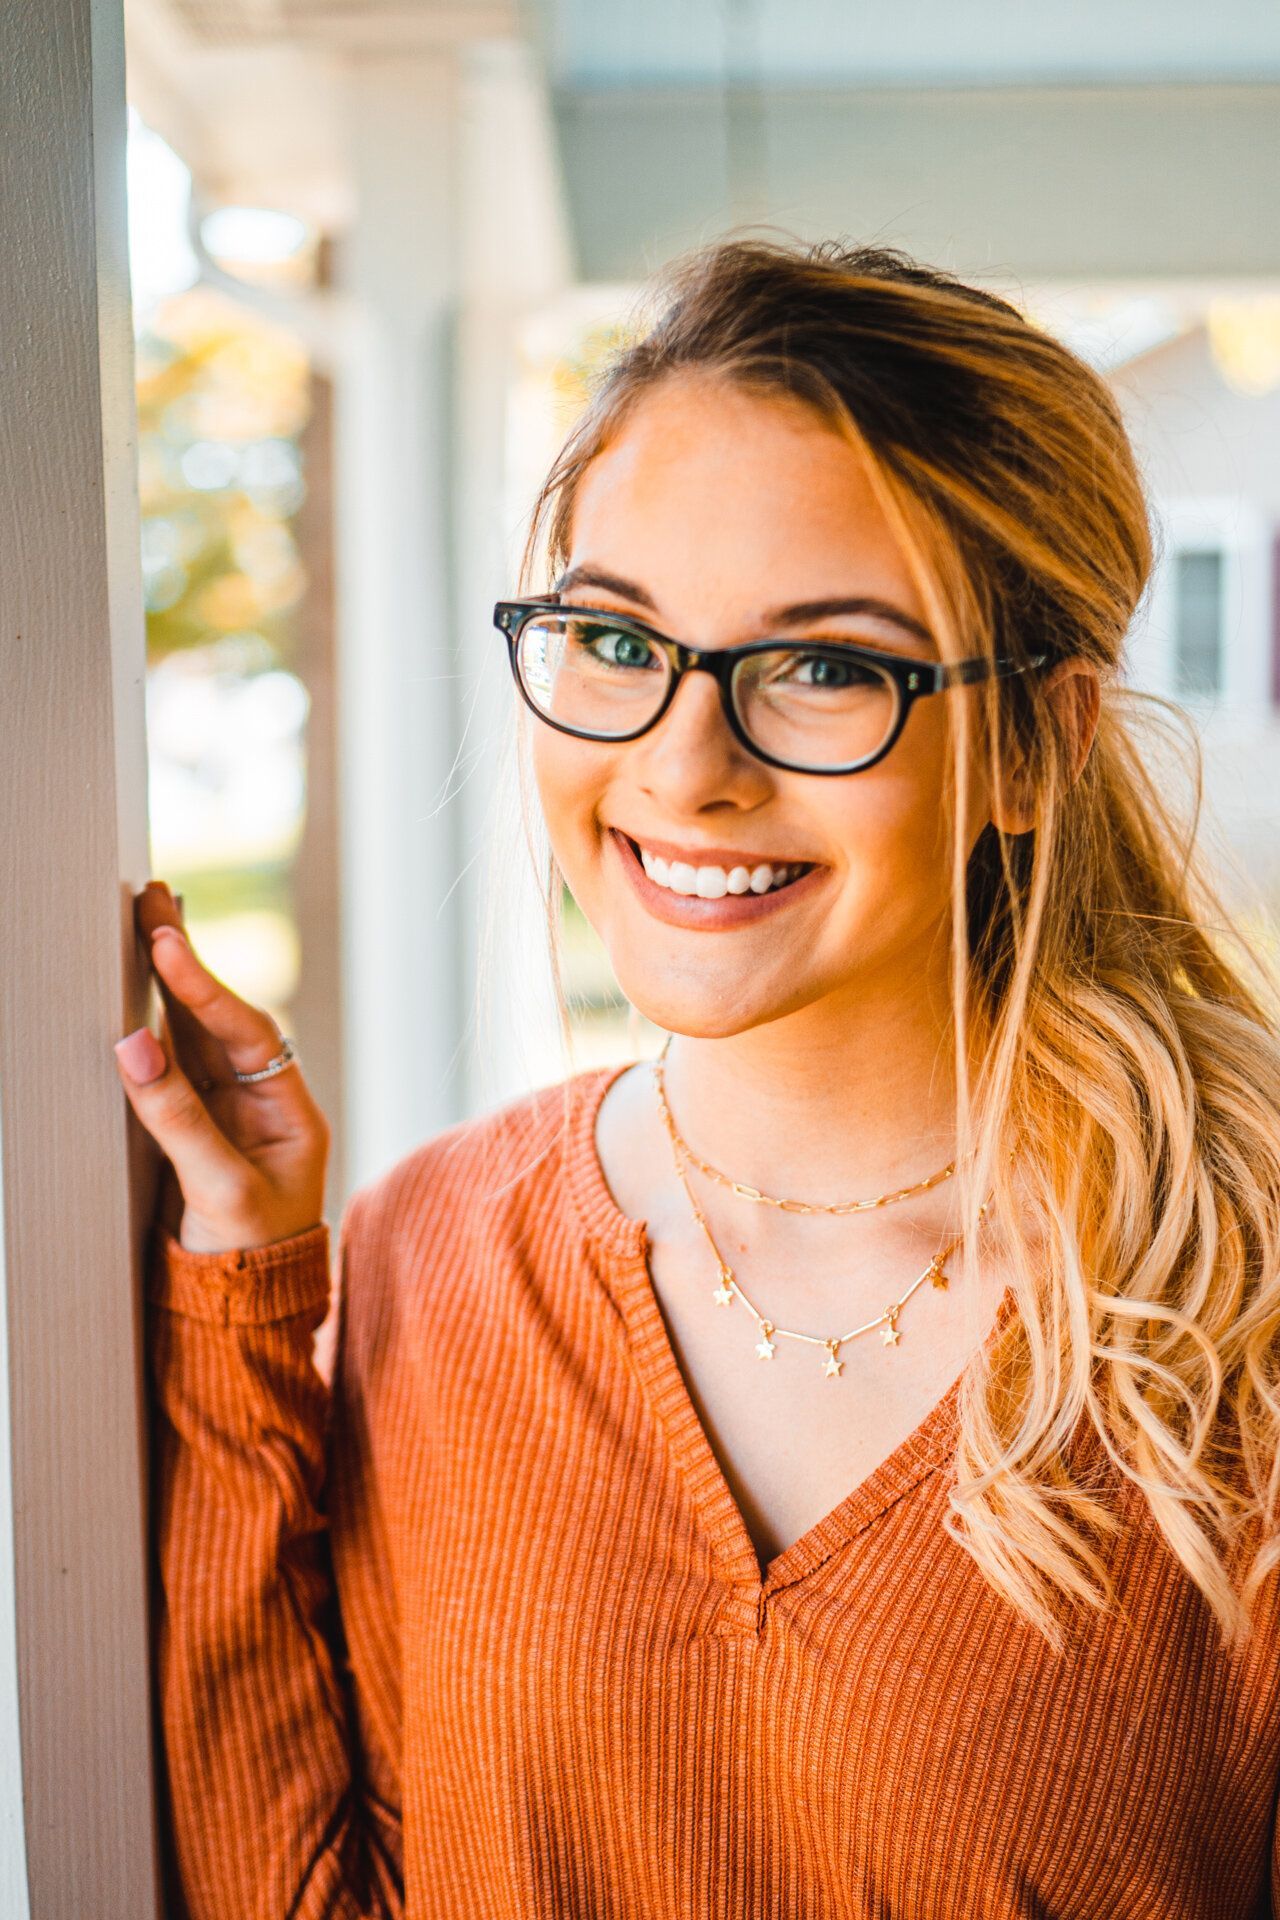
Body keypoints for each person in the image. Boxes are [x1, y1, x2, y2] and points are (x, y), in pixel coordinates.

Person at [114, 236, 1280, 1919]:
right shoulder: (433, 1255)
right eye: (612, 638)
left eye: (825, 668)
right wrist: (238, 1304)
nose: (682, 765)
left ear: (1035, 743)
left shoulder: (1231, 1328)